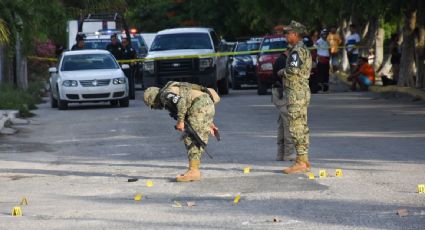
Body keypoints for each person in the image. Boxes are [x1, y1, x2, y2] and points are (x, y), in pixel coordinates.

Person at [143, 81, 220, 182]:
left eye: (153, 105)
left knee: (190, 136)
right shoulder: (169, 91)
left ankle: (194, 171)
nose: (156, 108)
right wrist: (209, 122)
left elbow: (181, 102)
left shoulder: (165, 95)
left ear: (152, 99)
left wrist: (180, 121)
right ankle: (194, 169)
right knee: (195, 134)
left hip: (200, 104)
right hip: (205, 103)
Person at [281, 20, 312, 174]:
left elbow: (293, 71)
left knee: (296, 126)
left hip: (296, 93)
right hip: (301, 92)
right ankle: (304, 159)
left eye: (288, 33)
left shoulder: (297, 51)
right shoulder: (300, 48)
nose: (286, 35)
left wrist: (282, 72)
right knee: (302, 125)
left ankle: (300, 161)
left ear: (295, 34)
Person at [272, 51, 295, 161]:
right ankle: (288, 154)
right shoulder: (283, 61)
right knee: (288, 125)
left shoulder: (281, 59)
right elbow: (282, 74)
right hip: (282, 94)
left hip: (279, 94)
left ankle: (280, 154)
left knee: (282, 124)